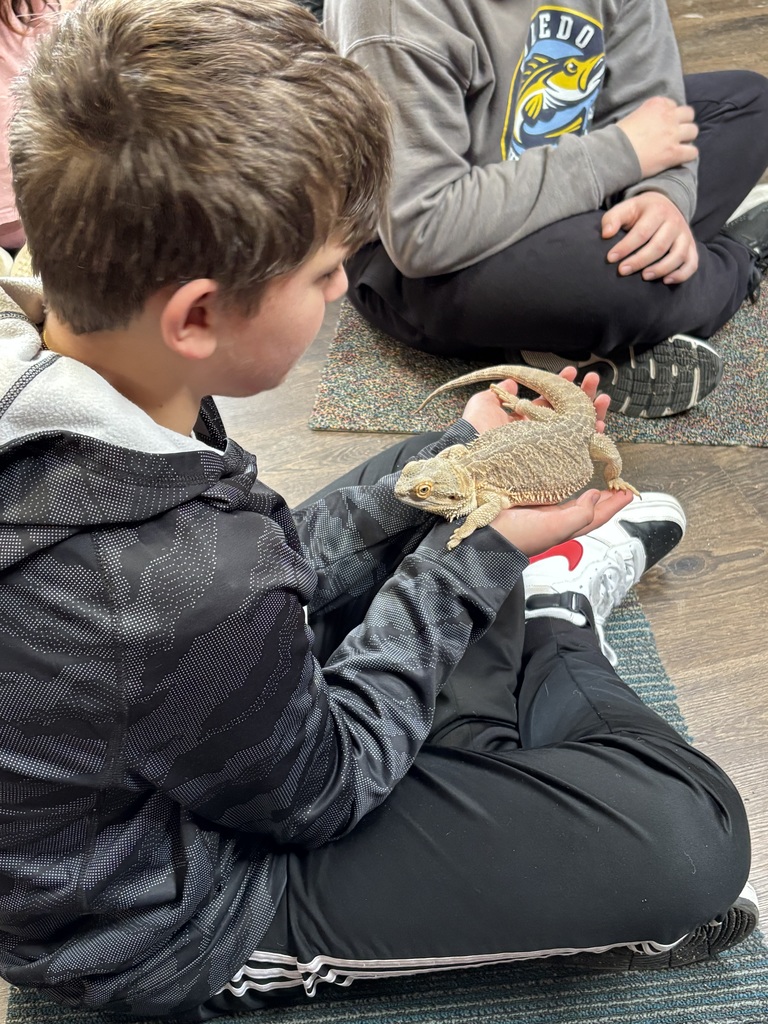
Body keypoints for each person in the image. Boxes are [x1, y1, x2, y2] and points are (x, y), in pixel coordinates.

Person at [0, 0, 757, 1020]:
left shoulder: (85, 383)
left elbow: (260, 570)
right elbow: (325, 788)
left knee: (439, 492)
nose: (349, 284)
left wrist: (462, 469)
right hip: (172, 919)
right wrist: (477, 553)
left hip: (189, 731)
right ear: (196, 315)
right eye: (324, 274)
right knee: (693, 839)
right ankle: (555, 612)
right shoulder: (185, 580)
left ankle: (511, 606)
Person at [324, 0, 768, 418]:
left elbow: (652, 105)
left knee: (751, 104)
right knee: (625, 284)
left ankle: (568, 333)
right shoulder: (392, 14)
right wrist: (619, 154)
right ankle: (736, 257)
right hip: (424, 260)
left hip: (562, 183)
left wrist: (661, 195)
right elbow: (421, 230)